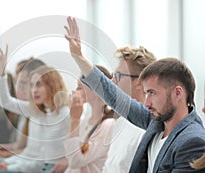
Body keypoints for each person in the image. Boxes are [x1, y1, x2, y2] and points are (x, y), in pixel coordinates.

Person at [64, 16, 205, 172]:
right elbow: (113, 96)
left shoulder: (192, 140)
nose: (146, 103)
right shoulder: (156, 121)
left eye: (152, 93)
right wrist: (79, 57)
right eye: (146, 93)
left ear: (177, 93)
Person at [0, 46, 70, 173]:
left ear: (52, 85)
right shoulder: (37, 111)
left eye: (39, 85)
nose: (34, 90)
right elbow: (5, 101)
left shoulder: (64, 114)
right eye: (32, 85)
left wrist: (10, 166)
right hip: (26, 165)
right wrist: (1, 74)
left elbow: (76, 146)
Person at [101, 46, 155, 172]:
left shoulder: (145, 131)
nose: (112, 81)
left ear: (140, 82)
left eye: (119, 75)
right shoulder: (120, 123)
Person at [63, 65, 115, 173]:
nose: (76, 91)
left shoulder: (108, 125)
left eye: (80, 87)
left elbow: (75, 161)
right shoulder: (86, 120)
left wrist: (74, 119)